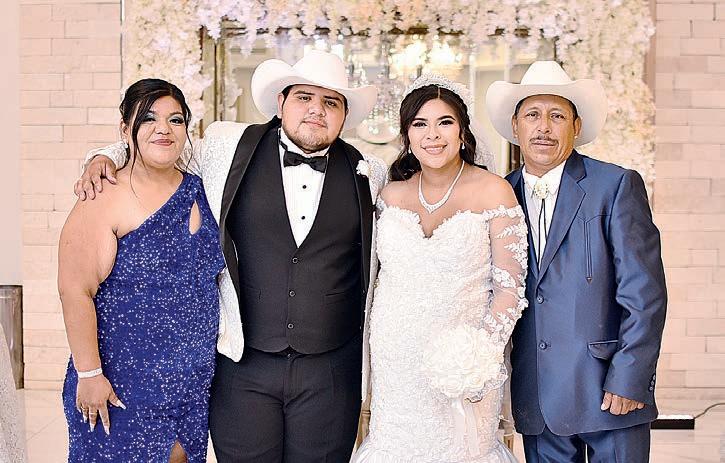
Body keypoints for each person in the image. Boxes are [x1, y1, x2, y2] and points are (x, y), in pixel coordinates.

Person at [74, 50, 387, 462]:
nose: (316, 110)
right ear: (281, 102)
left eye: (331, 102)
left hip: (330, 372)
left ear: (344, 115)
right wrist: (105, 156)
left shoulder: (370, 172)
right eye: (304, 97)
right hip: (242, 366)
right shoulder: (228, 146)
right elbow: (163, 146)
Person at [486, 61, 667, 462]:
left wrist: (630, 376)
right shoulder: (498, 194)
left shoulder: (615, 185)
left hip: (609, 392)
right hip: (537, 398)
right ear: (515, 126)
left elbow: (644, 294)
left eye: (557, 116)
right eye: (532, 115)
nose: (544, 128)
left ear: (576, 126)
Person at [351, 75, 527, 462]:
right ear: (407, 136)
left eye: (444, 122)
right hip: (395, 362)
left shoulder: (494, 191)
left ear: (462, 132)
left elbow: (510, 290)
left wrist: (478, 355)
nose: (432, 135)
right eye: (420, 124)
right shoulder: (389, 195)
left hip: (464, 363)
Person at [59, 78, 225, 462]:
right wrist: (89, 374)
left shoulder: (204, 188)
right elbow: (74, 290)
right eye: (148, 118)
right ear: (125, 129)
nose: (163, 129)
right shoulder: (103, 194)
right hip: (121, 384)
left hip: (191, 387)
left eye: (175, 119)